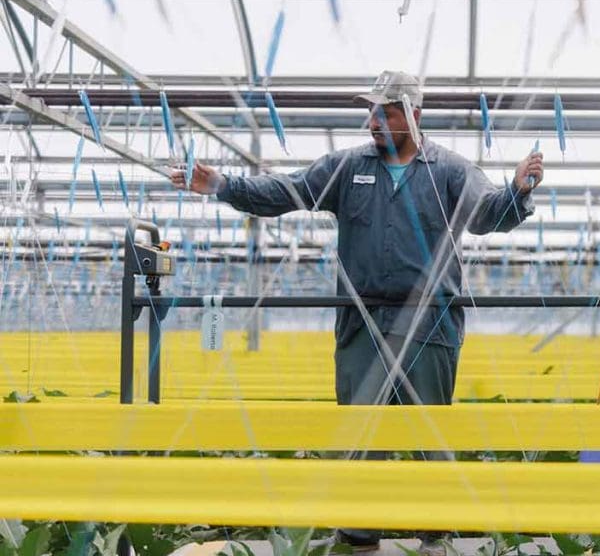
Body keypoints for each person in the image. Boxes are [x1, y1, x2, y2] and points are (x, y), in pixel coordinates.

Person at [171, 70, 543, 554]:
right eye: (371, 111)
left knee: (432, 434)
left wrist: (517, 191)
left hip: (429, 326)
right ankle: (359, 538)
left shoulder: (448, 169)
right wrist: (223, 184)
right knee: (359, 434)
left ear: (413, 114)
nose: (373, 121)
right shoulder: (348, 168)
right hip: (362, 323)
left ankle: (436, 537)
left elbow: (486, 214)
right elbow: (287, 192)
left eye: (385, 111)